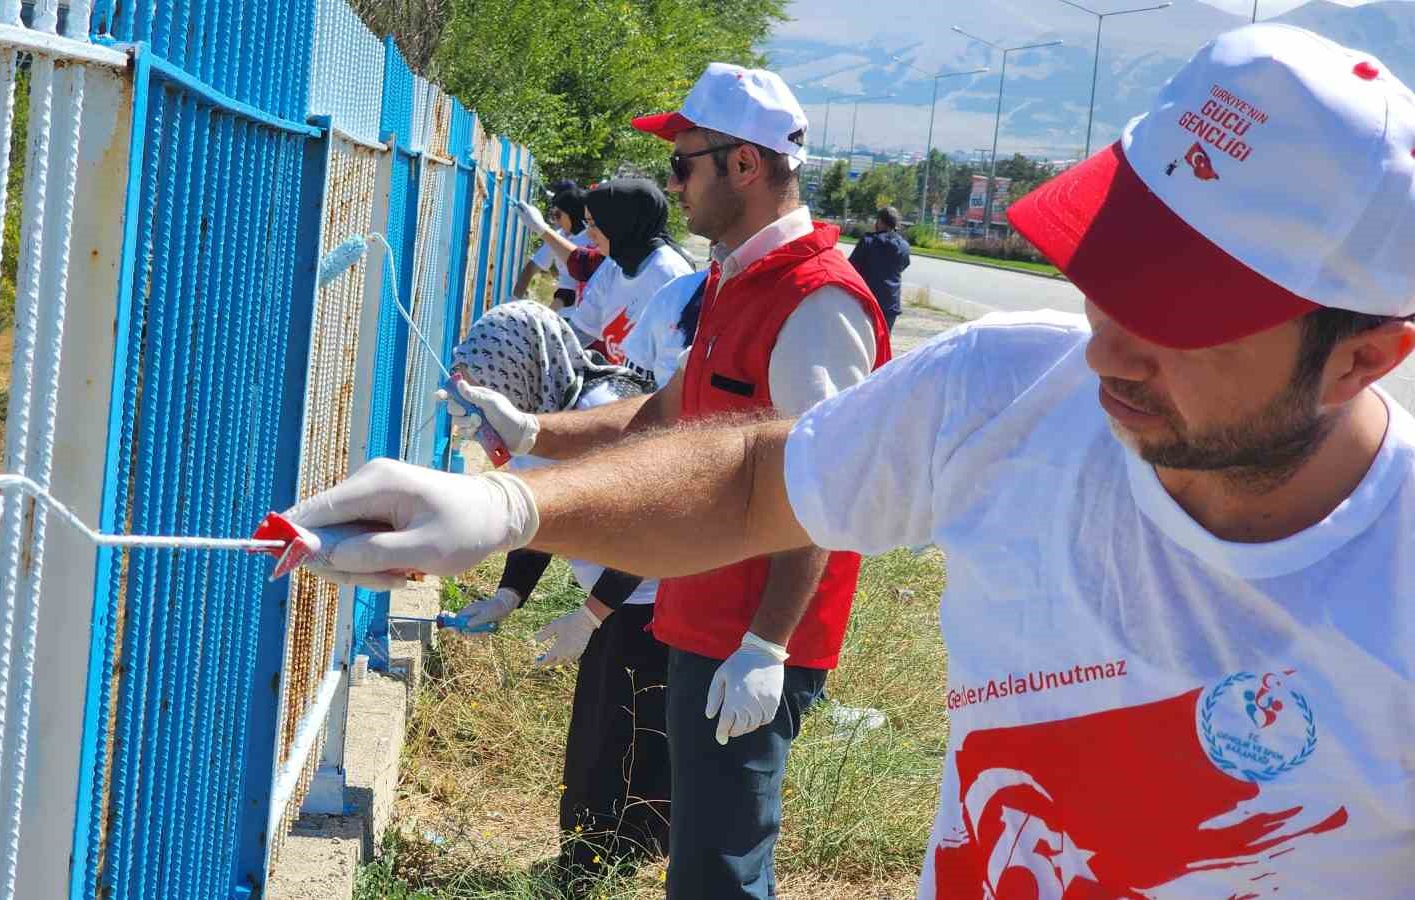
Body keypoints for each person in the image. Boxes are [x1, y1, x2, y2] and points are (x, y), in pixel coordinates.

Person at [286, 26, 1415, 898]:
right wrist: (505, 504)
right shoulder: (1003, 391)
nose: (1108, 345)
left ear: (1360, 357)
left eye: (1181, 313)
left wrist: (766, 643)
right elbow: (749, 475)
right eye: (1105, 275)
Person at [443, 63, 890, 897]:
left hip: (751, 635)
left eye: (685, 164)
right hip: (700, 612)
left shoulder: (817, 303)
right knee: (696, 862)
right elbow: (660, 415)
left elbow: (828, 487)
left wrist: (767, 645)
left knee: (719, 873)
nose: (673, 185)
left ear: (745, 167)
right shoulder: (732, 278)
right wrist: (536, 431)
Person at [443, 301, 671, 881]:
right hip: (620, 604)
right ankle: (614, 857)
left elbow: (650, 535)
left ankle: (594, 867)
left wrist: (591, 617)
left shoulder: (598, 414)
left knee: (614, 744)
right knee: (612, 736)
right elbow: (547, 515)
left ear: (524, 371)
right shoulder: (546, 410)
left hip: (649, 602)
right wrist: (507, 596)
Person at [532, 178, 694, 365]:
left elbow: (672, 372)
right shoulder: (613, 266)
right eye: (587, 224)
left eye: (594, 224)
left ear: (620, 222)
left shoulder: (670, 276)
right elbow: (579, 334)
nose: (590, 235)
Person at [511, 187, 594, 310]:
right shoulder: (559, 235)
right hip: (562, 308)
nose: (555, 220)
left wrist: (548, 314)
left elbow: (570, 290)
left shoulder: (592, 239)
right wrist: (514, 299)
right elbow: (531, 268)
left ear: (571, 213)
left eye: (558, 215)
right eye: (553, 215)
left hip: (582, 313)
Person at [848, 205, 910, 331]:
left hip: (868, 302)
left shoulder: (868, 241)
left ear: (880, 222)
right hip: (890, 303)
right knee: (884, 344)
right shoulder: (904, 246)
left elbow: (851, 269)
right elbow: (904, 265)